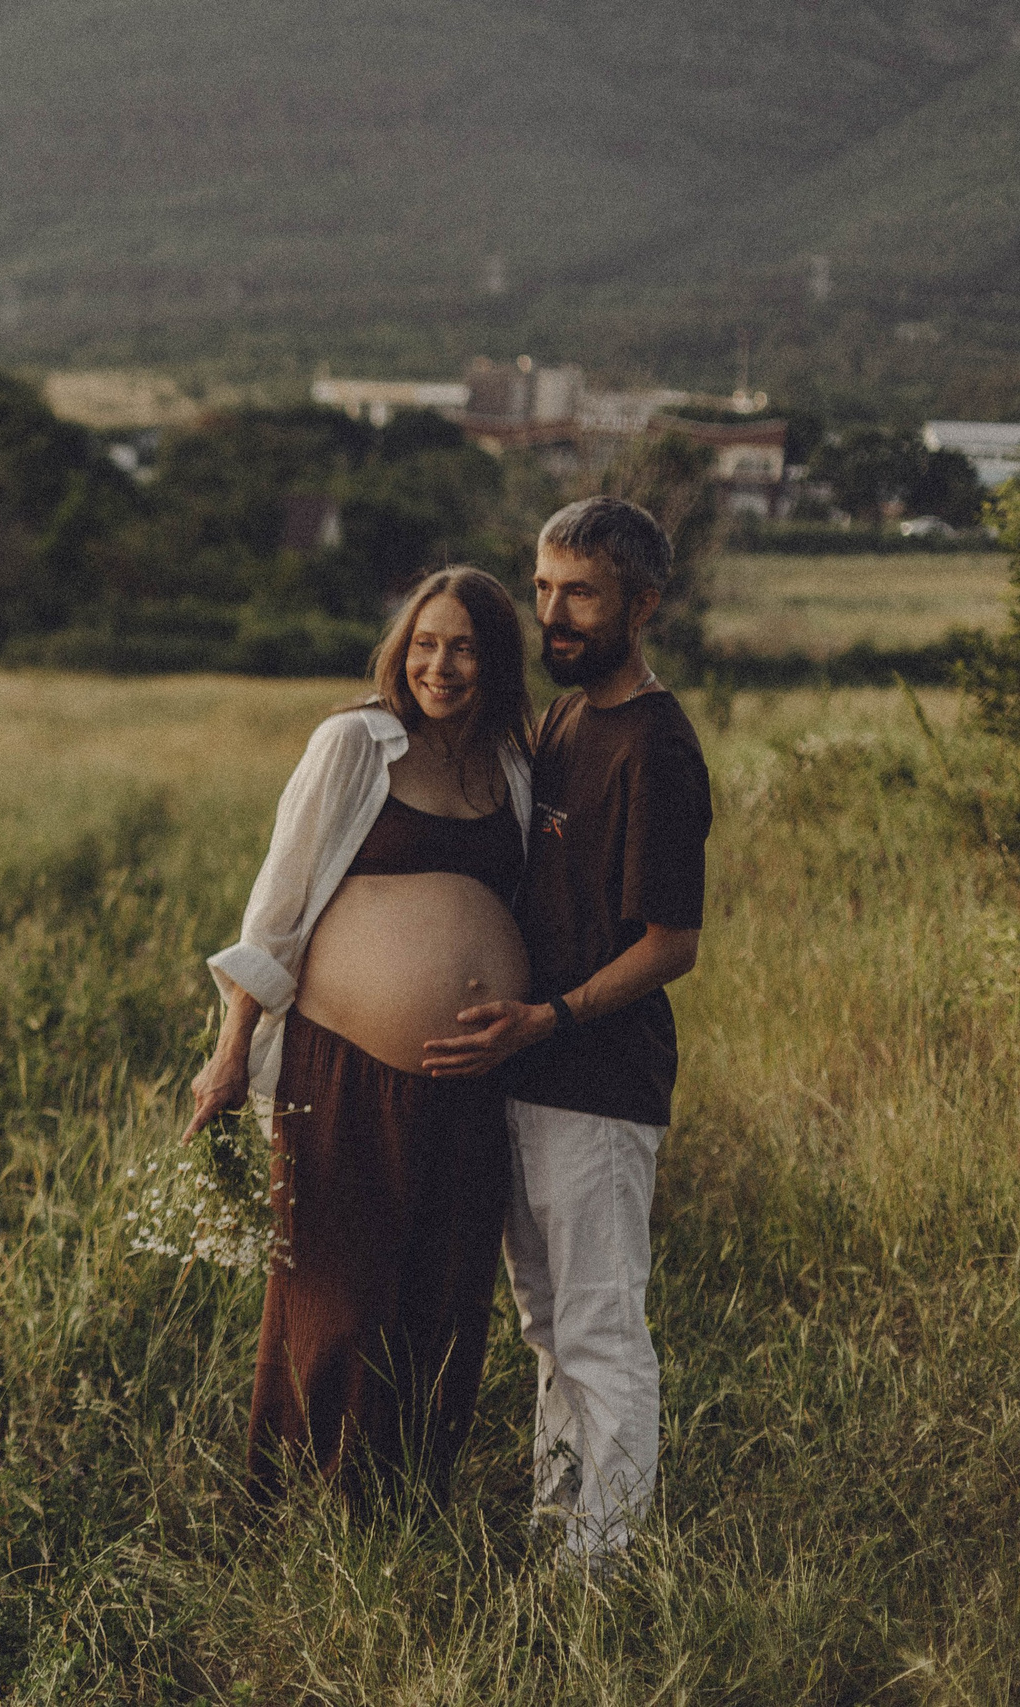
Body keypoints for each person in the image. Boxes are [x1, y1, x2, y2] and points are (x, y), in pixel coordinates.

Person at [188, 566, 534, 1506]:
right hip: (343, 1066)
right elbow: (277, 903)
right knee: (337, 1290)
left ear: (495, 659)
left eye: (463, 646)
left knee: (447, 1292)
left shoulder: (510, 767)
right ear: (400, 649)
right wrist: (229, 1052)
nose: (441, 664)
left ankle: (406, 1500)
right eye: (424, 643)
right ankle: (303, 1502)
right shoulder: (355, 745)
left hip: (470, 1082)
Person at [422, 496, 711, 1567]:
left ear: (641, 602)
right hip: (529, 1077)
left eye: (579, 592)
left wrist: (545, 1017)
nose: (553, 613)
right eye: (542, 589)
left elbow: (670, 942)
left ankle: (605, 1565)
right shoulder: (564, 722)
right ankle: (561, 1525)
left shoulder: (657, 747)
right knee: (545, 1326)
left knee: (598, 1330)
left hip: (598, 1083)